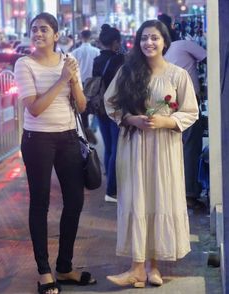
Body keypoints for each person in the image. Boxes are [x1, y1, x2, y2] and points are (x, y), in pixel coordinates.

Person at [104, 20, 199, 287]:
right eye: (144, 38)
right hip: (134, 147)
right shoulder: (128, 71)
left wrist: (166, 122)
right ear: (138, 41)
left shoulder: (178, 75)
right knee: (137, 200)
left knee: (159, 199)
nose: (149, 43)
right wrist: (131, 119)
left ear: (164, 41)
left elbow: (190, 111)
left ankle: (152, 266)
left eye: (155, 38)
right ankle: (136, 267)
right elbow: (109, 103)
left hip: (164, 149)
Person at [14, 12, 96, 294]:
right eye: (34, 29)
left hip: (68, 138)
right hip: (38, 140)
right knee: (40, 204)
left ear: (56, 35)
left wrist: (72, 81)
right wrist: (62, 80)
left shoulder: (68, 62)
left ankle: (65, 266)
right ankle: (44, 271)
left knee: (74, 202)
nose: (38, 33)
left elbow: (83, 106)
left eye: (44, 29)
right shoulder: (24, 64)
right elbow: (34, 108)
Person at [163, 15, 207, 209]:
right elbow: (208, 56)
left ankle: (177, 192)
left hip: (168, 104)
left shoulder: (160, 53)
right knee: (191, 147)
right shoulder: (182, 45)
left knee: (176, 148)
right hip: (187, 103)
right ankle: (189, 194)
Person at [92, 24, 125, 203]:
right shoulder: (119, 60)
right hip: (115, 107)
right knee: (116, 149)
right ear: (115, 43)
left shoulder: (98, 60)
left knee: (109, 147)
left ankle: (109, 180)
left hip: (100, 108)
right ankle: (112, 190)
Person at [72, 29, 100, 142]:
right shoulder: (96, 51)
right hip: (93, 83)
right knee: (96, 107)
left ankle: (85, 129)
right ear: (90, 37)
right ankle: (92, 128)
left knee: (82, 108)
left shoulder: (76, 52)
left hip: (80, 83)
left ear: (80, 37)